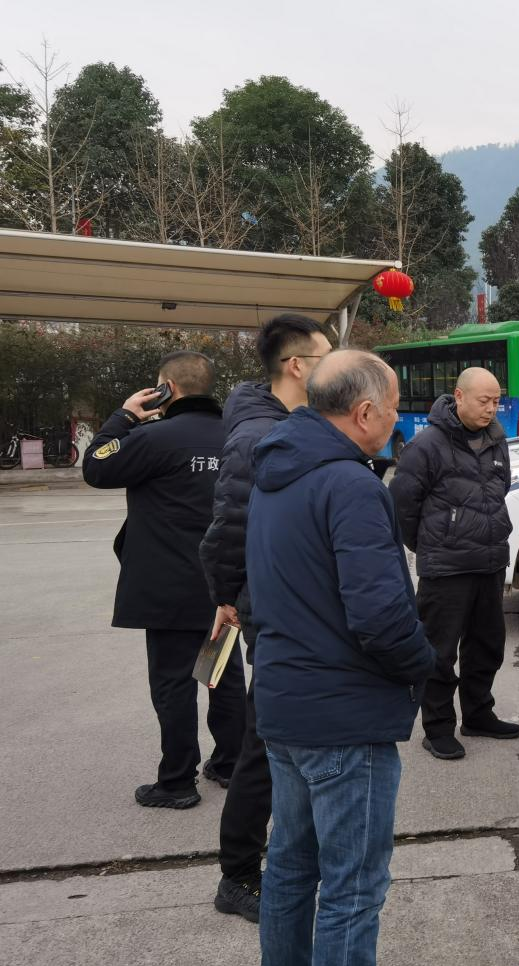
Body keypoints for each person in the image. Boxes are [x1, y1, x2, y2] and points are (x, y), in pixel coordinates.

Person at [246, 350, 435, 966]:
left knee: (290, 871)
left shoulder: (274, 472)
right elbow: (380, 616)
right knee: (352, 891)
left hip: (285, 706)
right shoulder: (350, 485)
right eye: (393, 409)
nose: (396, 421)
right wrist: (423, 666)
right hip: (343, 719)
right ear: (364, 412)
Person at [198, 314, 331, 922]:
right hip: (269, 604)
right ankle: (237, 874)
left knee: (275, 731)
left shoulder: (290, 423)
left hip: (287, 598)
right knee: (265, 737)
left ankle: (274, 856)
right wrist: (228, 596)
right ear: (297, 366)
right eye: (326, 357)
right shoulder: (260, 434)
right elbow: (228, 528)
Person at [83, 351, 245, 810]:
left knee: (174, 684)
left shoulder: (152, 437)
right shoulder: (236, 436)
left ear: (165, 389)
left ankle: (176, 782)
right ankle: (231, 764)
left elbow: (96, 466)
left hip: (168, 590)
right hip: (224, 587)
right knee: (222, 677)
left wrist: (124, 416)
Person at [390, 366, 519, 762]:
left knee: (487, 645)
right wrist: (434, 543)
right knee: (439, 653)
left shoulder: (496, 439)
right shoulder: (426, 445)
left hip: (489, 560)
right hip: (446, 568)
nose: (491, 409)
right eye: (484, 401)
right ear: (459, 397)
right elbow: (402, 506)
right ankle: (438, 728)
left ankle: (478, 715)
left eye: (496, 401)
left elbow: (501, 488)